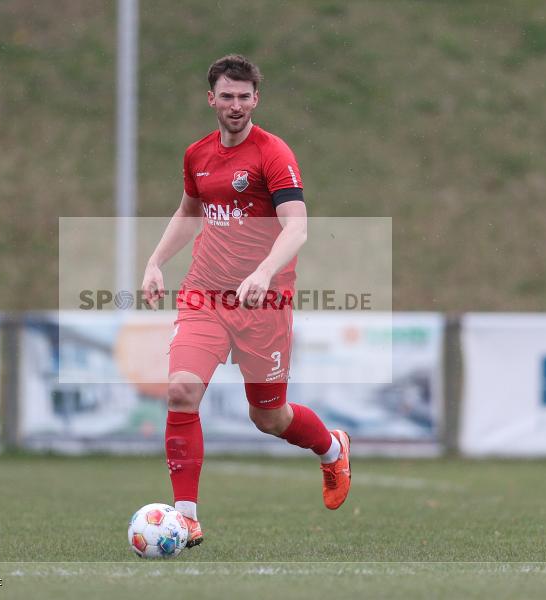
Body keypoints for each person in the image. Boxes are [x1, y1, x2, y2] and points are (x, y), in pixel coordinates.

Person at [141, 55, 351, 548]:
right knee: (180, 392)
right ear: (211, 98)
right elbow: (189, 212)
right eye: (226, 96)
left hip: (264, 303)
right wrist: (154, 261)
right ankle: (187, 517)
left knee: (269, 418)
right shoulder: (197, 155)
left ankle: (330, 447)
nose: (235, 105)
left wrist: (263, 271)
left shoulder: (273, 154)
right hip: (205, 295)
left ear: (256, 99)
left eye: (244, 96)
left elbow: (296, 226)